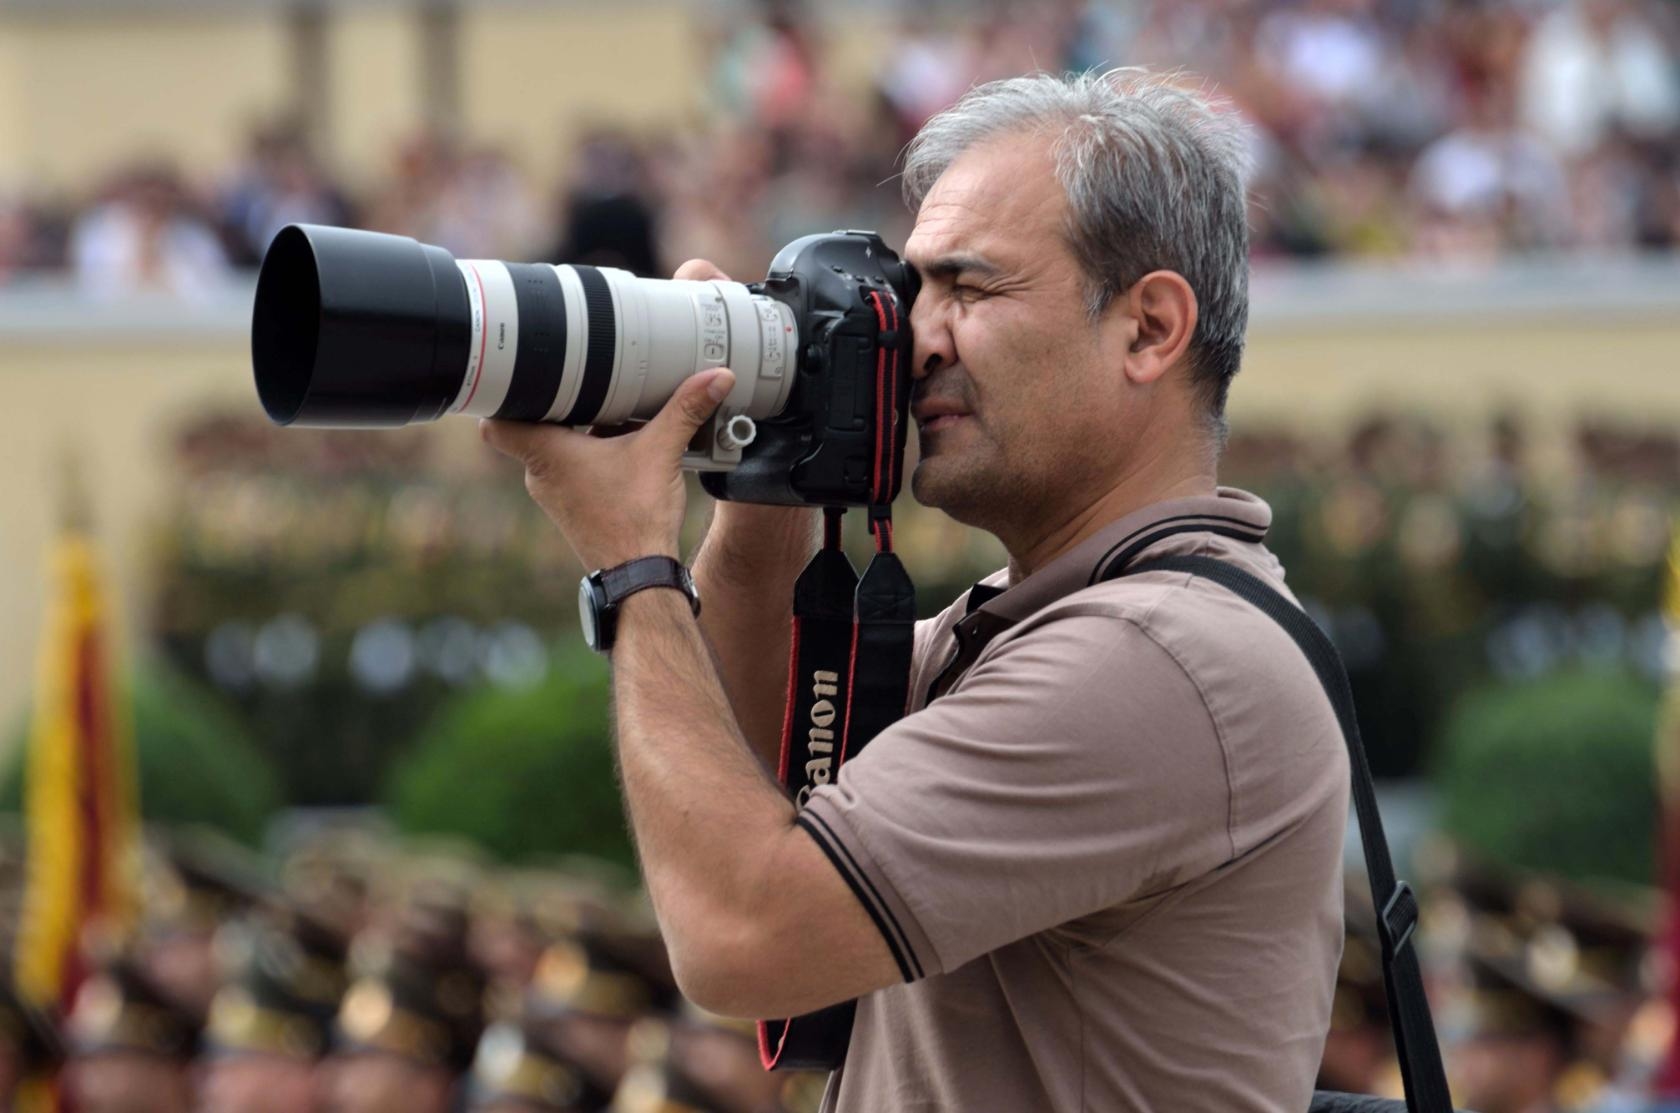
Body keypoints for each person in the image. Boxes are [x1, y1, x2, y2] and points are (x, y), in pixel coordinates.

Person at [482, 67, 1349, 1111]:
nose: (917, 338)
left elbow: (741, 931)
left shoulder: (1156, 660)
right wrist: (770, 458)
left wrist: (632, 561)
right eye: (911, 291)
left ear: (1150, 329)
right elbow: (747, 781)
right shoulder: (1042, 625)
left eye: (970, 289)